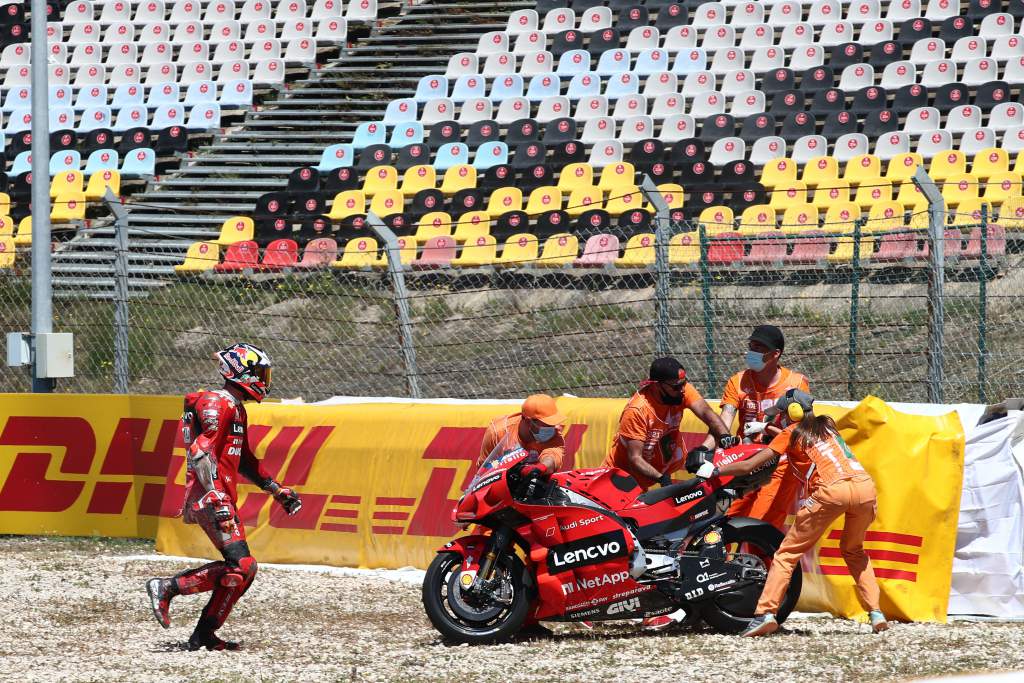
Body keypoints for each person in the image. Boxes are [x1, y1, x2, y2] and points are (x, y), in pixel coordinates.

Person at [692, 389, 889, 637]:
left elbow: (750, 464)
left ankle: (765, 614)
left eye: (783, 414)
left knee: (786, 555)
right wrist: (767, 428)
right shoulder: (827, 425)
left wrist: (715, 470)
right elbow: (806, 439)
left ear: (792, 412)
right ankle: (876, 613)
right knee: (854, 550)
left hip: (831, 491)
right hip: (864, 488)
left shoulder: (789, 432)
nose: (781, 419)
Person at [145, 343, 303, 651]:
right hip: (209, 497)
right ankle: (167, 588)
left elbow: (243, 459)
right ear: (239, 371)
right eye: (258, 372)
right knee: (241, 565)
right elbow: (200, 453)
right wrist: (215, 495)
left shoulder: (235, 406)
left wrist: (276, 490)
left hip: (217, 495)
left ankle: (204, 635)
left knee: (245, 569)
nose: (263, 379)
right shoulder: (219, 402)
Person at [721, 325, 810, 531]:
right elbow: (726, 415)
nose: (752, 352)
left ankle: (760, 562)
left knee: (759, 527)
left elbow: (799, 434)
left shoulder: (796, 384)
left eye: (759, 348)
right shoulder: (738, 381)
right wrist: (720, 438)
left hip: (779, 464)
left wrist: (766, 428)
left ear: (775, 354)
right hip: (744, 460)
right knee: (724, 525)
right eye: (751, 346)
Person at [604, 356, 735, 492]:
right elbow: (635, 458)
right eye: (677, 386)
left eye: (684, 383)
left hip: (658, 469)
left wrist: (725, 436)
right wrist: (662, 479)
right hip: (625, 476)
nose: (683, 390)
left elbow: (706, 413)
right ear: (656, 385)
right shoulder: (637, 411)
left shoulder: (681, 390)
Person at [477, 393, 567, 476]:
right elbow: (484, 468)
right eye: (547, 424)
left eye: (553, 423)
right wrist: (503, 464)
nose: (552, 427)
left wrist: (539, 468)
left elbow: (551, 458)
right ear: (528, 421)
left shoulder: (554, 434)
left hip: (536, 481)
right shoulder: (498, 432)